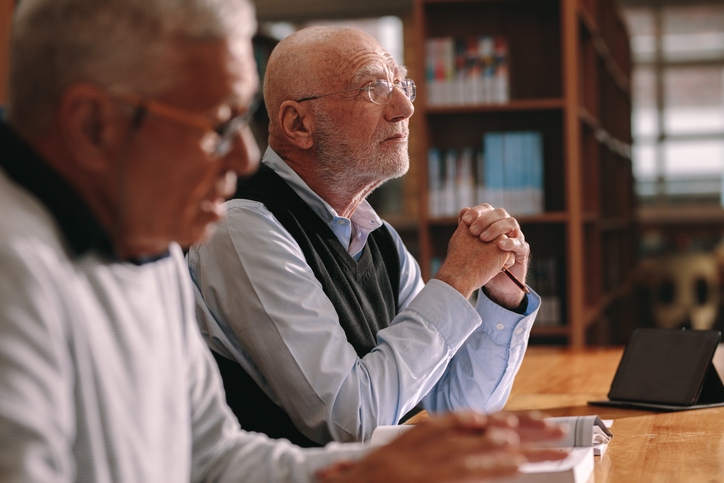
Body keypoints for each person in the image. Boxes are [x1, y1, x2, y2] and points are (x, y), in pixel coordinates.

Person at [0, 0, 568, 481]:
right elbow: (350, 418)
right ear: (93, 126)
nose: (246, 156)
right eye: (219, 124)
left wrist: (365, 470)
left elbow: (213, 455)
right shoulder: (15, 272)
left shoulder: (151, 247)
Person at [190, 25, 540, 448]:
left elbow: (460, 404)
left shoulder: (379, 238)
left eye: (401, 84)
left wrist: (502, 297)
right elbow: (351, 419)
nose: (405, 107)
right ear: (298, 123)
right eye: (374, 87)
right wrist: (457, 281)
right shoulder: (241, 228)